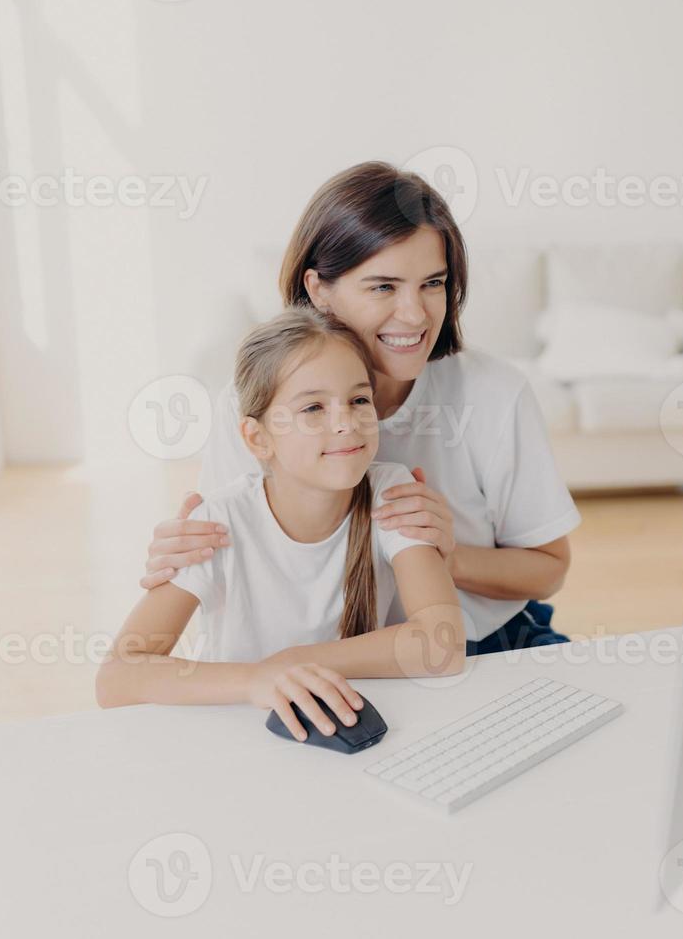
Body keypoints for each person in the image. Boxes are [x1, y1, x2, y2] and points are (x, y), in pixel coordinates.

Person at [139, 161, 581, 654]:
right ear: (318, 289)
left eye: (433, 284)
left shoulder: (493, 393)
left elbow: (549, 568)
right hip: (325, 656)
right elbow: (232, 553)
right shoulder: (256, 406)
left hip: (479, 640)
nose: (415, 315)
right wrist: (186, 556)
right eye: (384, 286)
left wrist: (445, 557)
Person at [96, 308, 464, 740]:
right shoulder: (218, 521)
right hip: (234, 730)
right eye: (313, 408)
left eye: (359, 400)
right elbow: (117, 676)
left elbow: (443, 644)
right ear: (257, 437)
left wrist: (292, 662)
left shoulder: (390, 491)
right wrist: (257, 680)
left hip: (335, 725)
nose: (346, 423)